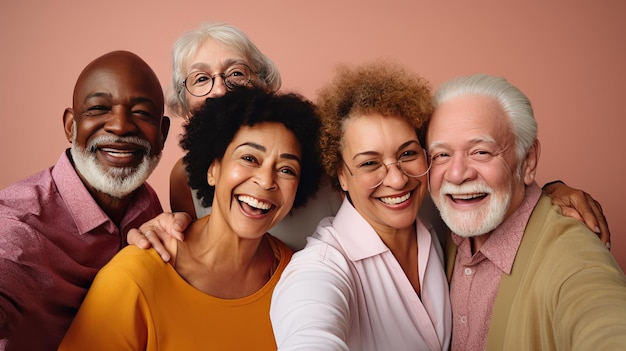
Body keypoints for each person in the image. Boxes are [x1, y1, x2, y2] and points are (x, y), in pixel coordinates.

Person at [58, 87, 324, 350]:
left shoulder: (301, 278)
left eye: (287, 169)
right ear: (213, 170)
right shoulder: (133, 278)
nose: (266, 181)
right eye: (249, 158)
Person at [426, 74, 626, 350]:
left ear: (528, 160)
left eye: (481, 152)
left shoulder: (573, 256)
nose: (457, 174)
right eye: (441, 155)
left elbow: (601, 313)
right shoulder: (437, 225)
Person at [270, 62, 451, 350]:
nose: (397, 178)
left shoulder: (438, 230)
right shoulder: (321, 265)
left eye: (407, 153)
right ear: (341, 174)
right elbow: (310, 331)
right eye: (369, 163)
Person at [0, 50, 170, 350]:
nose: (120, 126)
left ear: (162, 133)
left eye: (142, 113)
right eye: (99, 108)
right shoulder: (19, 225)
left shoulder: (148, 205)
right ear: (70, 126)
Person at [165, 22, 341, 250]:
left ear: (263, 85)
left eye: (236, 73)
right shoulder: (183, 177)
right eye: (201, 78)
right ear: (184, 102)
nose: (219, 90)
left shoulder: (325, 154)